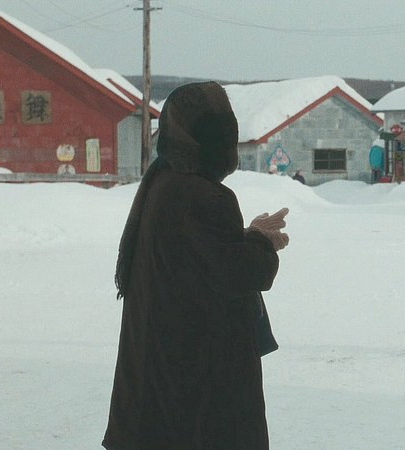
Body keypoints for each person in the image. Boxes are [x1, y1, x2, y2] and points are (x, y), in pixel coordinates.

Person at [103, 82, 290, 450]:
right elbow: (242, 272)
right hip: (192, 383)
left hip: (163, 374)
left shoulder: (164, 181)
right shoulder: (201, 196)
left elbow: (200, 258)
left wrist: (248, 235)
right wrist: (259, 240)